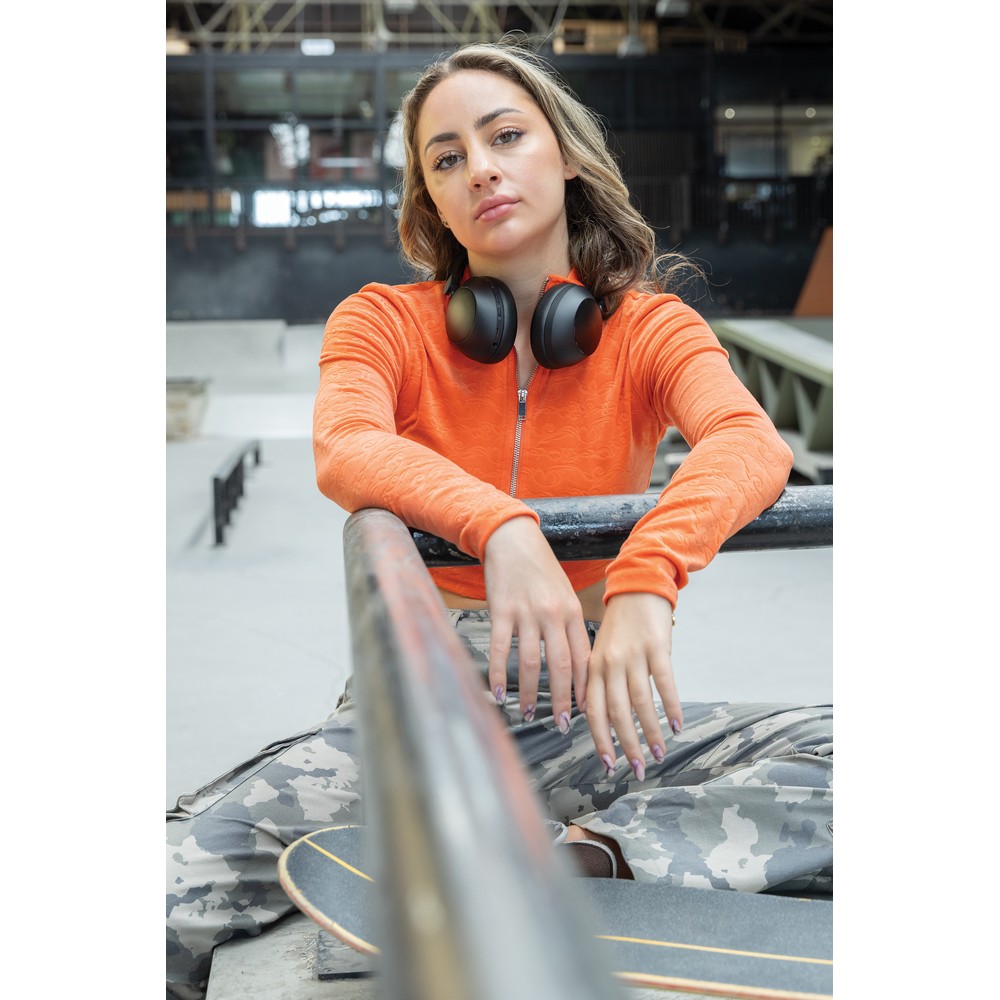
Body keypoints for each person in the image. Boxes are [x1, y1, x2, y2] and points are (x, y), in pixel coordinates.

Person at [166, 40, 832, 999]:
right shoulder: (381, 322)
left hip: (596, 710)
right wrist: (506, 527)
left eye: (505, 136)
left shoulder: (650, 329)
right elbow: (347, 445)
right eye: (446, 158)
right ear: (431, 201)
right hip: (422, 711)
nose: (479, 167)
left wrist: (646, 579)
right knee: (168, 886)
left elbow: (747, 441)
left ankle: (584, 855)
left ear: (565, 157)